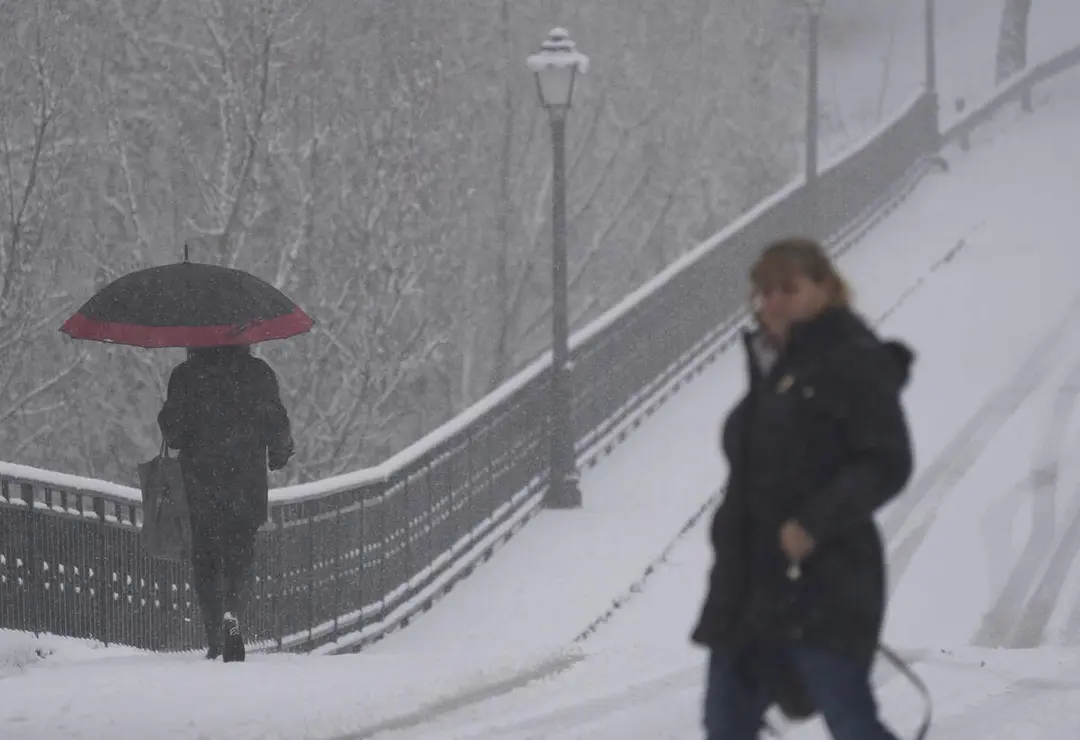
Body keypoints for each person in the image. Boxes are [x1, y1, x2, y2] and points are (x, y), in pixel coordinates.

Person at [690, 237, 915, 739]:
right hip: (749, 582)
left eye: (787, 288)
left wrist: (814, 523)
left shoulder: (853, 361)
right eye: (764, 291)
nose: (772, 302)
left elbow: (887, 461)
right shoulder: (773, 367)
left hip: (824, 579)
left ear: (826, 289)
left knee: (848, 717)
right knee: (725, 722)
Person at [158, 344, 294, 662]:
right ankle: (232, 613)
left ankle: (215, 636)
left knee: (205, 558)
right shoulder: (258, 373)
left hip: (200, 484)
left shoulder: (186, 376)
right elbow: (277, 422)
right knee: (240, 555)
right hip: (244, 483)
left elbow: (174, 434)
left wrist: (170, 416)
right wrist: (280, 452)